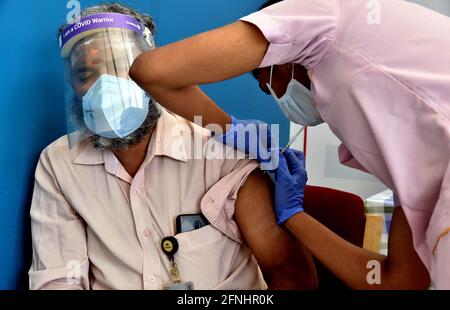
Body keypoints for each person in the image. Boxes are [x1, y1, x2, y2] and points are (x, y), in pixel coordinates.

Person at [129, 0, 450, 289]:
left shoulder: (321, 10)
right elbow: (397, 283)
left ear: (281, 56)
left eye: (266, 84)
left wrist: (229, 128)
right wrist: (293, 214)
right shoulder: (408, 150)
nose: (273, 96)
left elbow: (152, 70)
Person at [28, 3, 319, 290]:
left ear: (147, 67)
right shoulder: (60, 164)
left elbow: (288, 269)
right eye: (85, 75)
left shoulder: (220, 152)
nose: (105, 85)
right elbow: (59, 281)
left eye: (120, 64)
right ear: (73, 85)